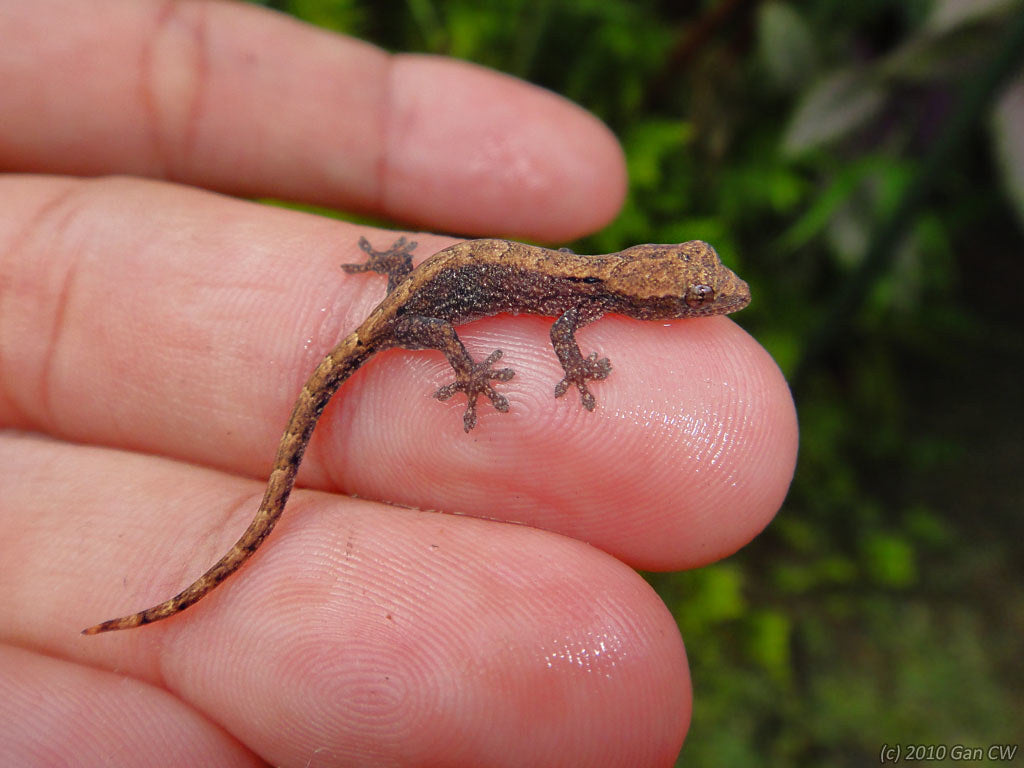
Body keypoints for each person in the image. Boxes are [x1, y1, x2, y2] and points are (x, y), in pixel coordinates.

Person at [0, 2, 797, 766]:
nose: (717, 298)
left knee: (423, 314)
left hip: (412, 290)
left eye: (702, 292)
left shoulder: (587, 288)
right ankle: (218, 563)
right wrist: (485, 372)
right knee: (422, 344)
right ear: (646, 298)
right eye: (697, 295)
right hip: (411, 315)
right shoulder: (578, 304)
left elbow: (545, 324)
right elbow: (557, 338)